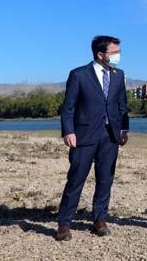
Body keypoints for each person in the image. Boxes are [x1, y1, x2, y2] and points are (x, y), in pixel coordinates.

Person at [55, 35, 130, 241]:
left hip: (111, 136)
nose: (117, 56)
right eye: (114, 52)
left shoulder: (118, 75)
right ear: (100, 54)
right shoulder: (79, 75)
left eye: (118, 52)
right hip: (84, 136)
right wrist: (68, 131)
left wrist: (124, 129)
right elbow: (68, 108)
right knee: (76, 179)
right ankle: (64, 223)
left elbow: (122, 106)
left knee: (105, 179)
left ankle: (99, 219)